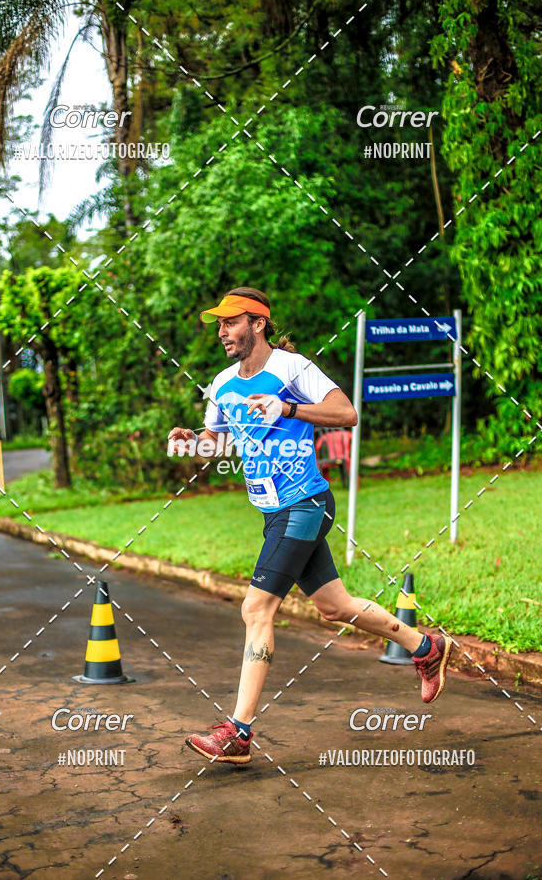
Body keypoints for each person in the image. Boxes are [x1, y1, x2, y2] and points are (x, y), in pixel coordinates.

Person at [167, 287, 451, 765]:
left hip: (306, 503)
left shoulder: (292, 370)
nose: (221, 333)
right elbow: (218, 445)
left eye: (230, 323)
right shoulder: (220, 384)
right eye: (218, 325)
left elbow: (347, 414)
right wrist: (191, 441)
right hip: (273, 510)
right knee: (335, 607)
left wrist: (288, 408)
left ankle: (238, 732)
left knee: (256, 609)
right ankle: (425, 646)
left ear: (257, 323)